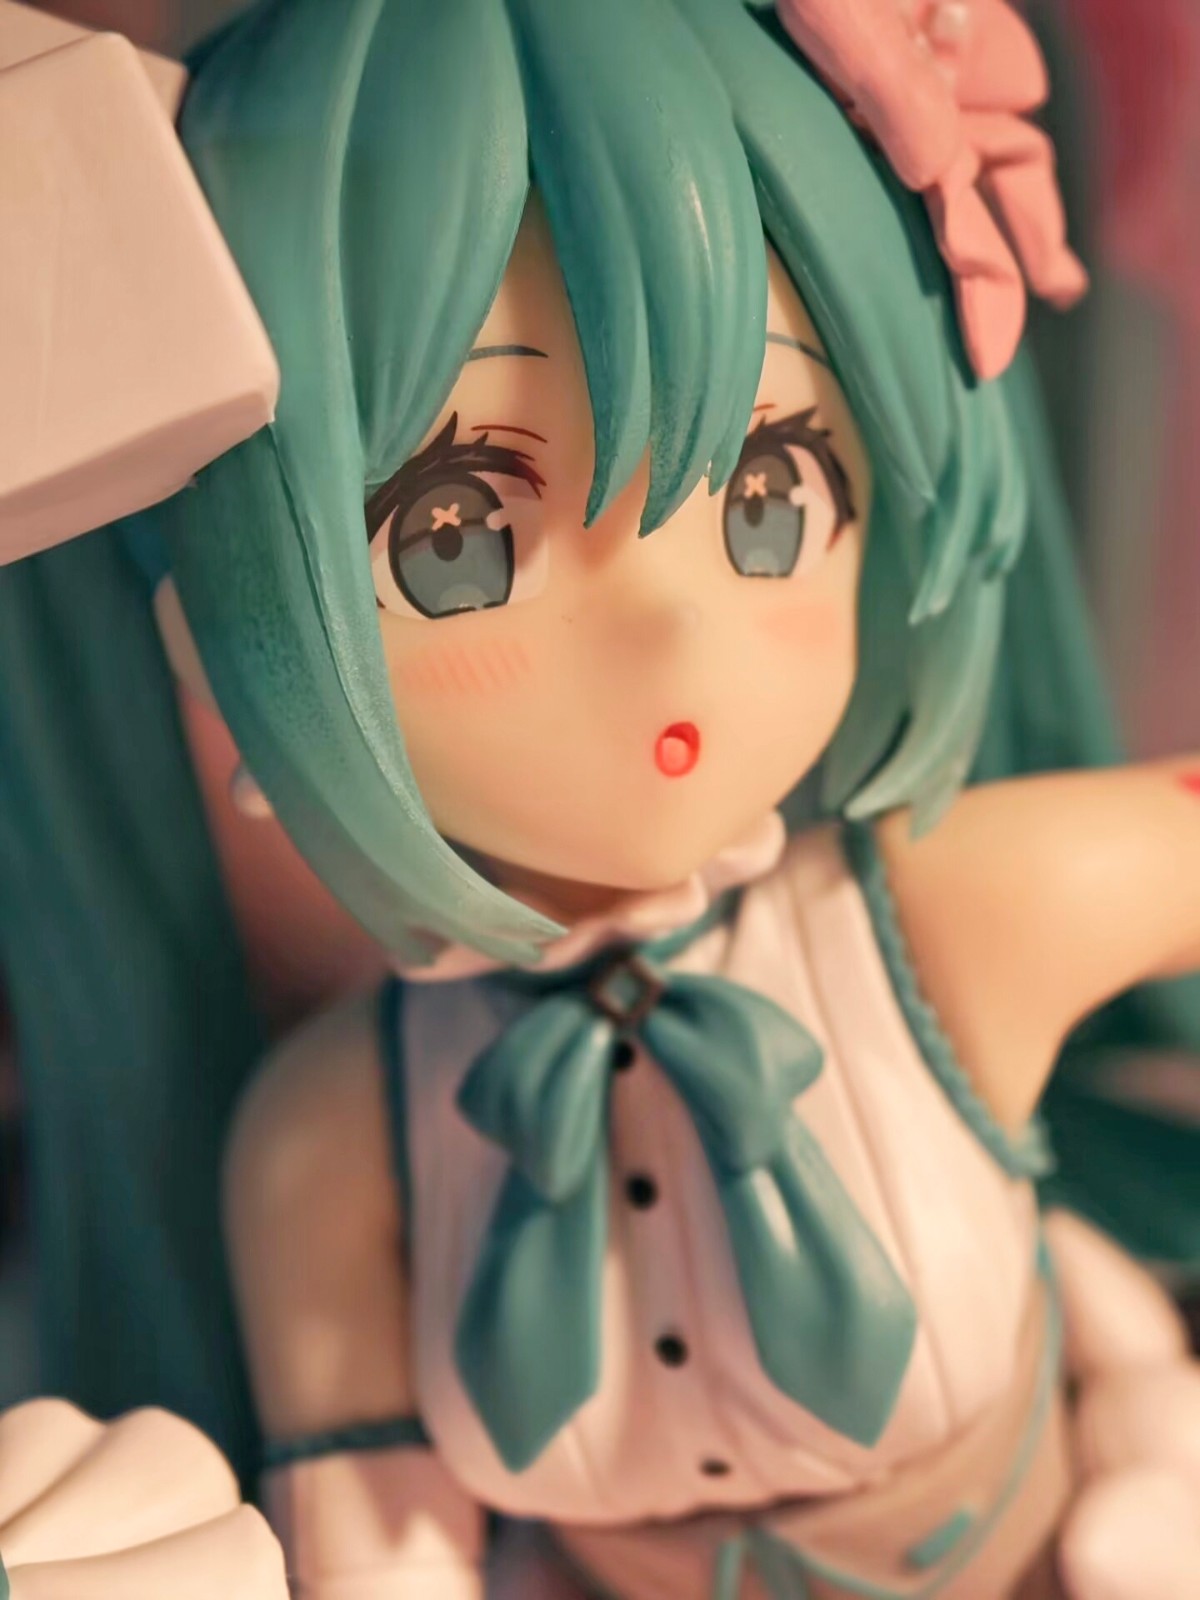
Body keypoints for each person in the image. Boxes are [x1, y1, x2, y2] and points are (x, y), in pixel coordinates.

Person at [1, 1, 1197, 1596]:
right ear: (212, 628)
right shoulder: (328, 1139)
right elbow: (377, 1536)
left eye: (769, 493)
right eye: (455, 536)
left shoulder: (957, 919)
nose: (663, 633)